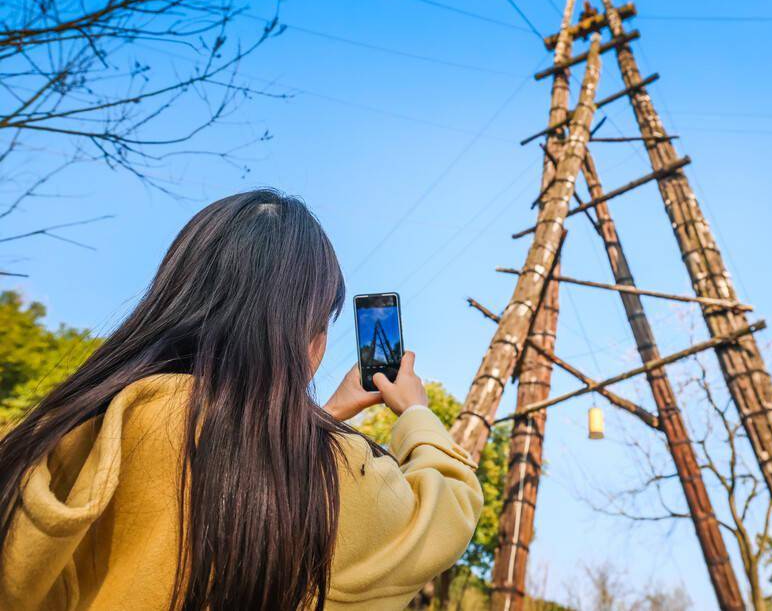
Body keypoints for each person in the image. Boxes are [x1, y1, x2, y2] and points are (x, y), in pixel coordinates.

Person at [0, 190, 483, 610]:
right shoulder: (340, 475)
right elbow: (446, 511)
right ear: (307, 337)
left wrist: (327, 413)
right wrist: (415, 412)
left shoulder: (73, 427)